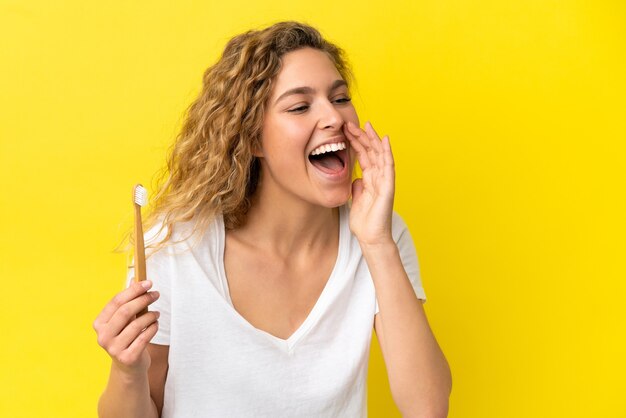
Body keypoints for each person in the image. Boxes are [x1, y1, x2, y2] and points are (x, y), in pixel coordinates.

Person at [94, 21, 452, 418]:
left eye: (340, 98)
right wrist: (127, 372)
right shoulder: (176, 244)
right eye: (300, 106)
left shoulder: (378, 234)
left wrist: (378, 244)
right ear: (251, 138)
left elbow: (428, 408)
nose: (333, 117)